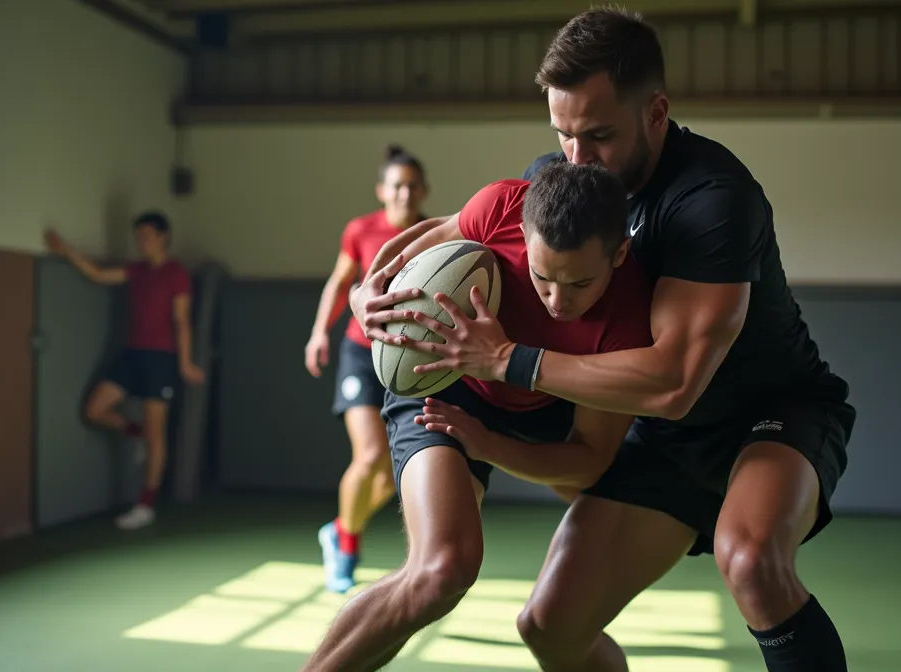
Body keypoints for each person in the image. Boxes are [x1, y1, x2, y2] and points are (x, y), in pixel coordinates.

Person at [350, 8, 855, 672]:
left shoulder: (712, 200)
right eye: (563, 135)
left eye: (598, 135)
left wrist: (508, 361)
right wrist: (371, 292)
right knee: (550, 625)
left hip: (771, 415)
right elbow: (445, 232)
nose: (578, 158)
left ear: (656, 111)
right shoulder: (562, 182)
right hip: (668, 441)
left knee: (751, 558)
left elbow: (674, 383)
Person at [301, 161, 654, 672]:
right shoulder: (501, 206)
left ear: (619, 254)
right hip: (444, 383)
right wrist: (363, 296)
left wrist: (487, 444)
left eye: (579, 283)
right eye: (541, 277)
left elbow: (588, 460)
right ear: (522, 237)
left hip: (545, 403)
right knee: (441, 571)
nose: (557, 300)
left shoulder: (629, 319)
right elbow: (421, 240)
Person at [304, 145, 430, 593]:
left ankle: (339, 527)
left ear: (424, 190)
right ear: (382, 190)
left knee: (393, 475)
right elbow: (341, 283)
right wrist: (321, 332)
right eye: (397, 184)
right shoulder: (360, 230)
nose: (405, 192)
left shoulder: (435, 233)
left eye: (413, 185)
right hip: (361, 353)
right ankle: (347, 546)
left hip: (410, 358)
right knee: (372, 456)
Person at [44, 211, 204, 531]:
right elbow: (98, 275)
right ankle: (135, 432)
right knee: (94, 409)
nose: (141, 242)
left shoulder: (176, 274)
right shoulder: (136, 271)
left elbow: (181, 321)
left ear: (163, 237)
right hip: (132, 355)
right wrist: (66, 251)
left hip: (162, 359)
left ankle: (146, 504)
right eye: (138, 237)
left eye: (147, 236)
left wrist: (185, 363)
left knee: (157, 431)